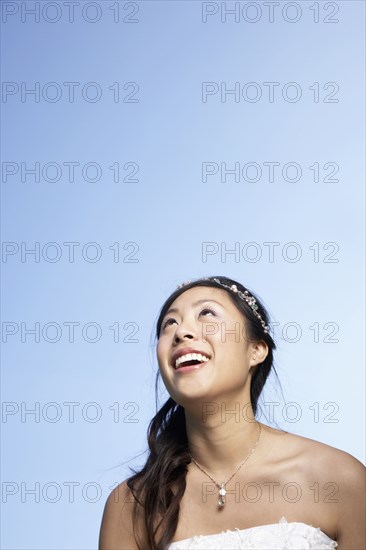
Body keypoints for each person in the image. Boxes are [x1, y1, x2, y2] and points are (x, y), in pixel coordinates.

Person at [99, 276, 365, 550]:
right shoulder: (132, 505)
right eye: (170, 323)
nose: (181, 332)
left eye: (207, 313)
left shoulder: (340, 481)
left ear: (257, 350)